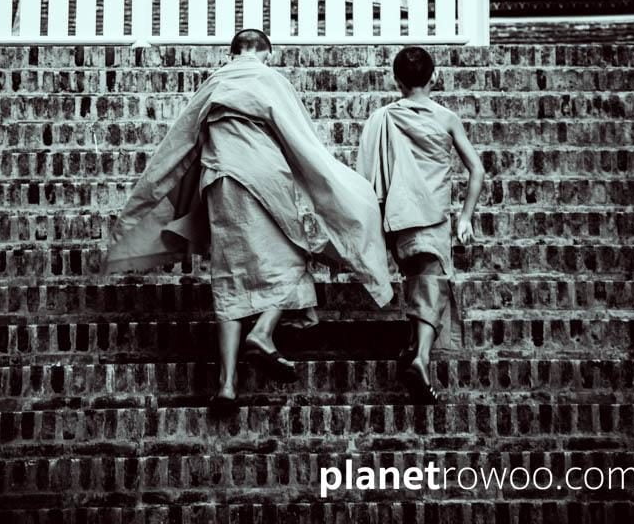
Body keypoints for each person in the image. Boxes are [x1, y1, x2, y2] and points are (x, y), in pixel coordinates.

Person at [105, 29, 393, 411]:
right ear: (265, 53)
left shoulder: (215, 82)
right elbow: (299, 139)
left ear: (233, 52)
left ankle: (226, 384)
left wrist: (145, 204)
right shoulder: (271, 79)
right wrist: (335, 187)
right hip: (265, 177)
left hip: (221, 180)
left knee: (229, 275)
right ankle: (262, 332)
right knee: (295, 256)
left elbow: (178, 144)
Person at [356, 45, 484, 403]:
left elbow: (366, 173)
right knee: (432, 283)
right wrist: (465, 218)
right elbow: (477, 170)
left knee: (418, 280)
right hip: (432, 215)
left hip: (396, 217)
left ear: (396, 80)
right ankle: (421, 357)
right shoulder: (446, 119)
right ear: (435, 77)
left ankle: (414, 348)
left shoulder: (384, 118)